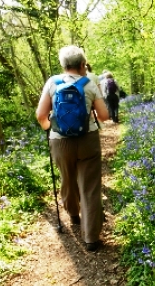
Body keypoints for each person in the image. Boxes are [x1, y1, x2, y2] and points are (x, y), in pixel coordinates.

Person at [35, 45, 110, 252]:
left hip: (60, 142)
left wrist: (53, 130)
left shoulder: (52, 82)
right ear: (82, 64)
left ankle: (73, 214)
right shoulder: (90, 84)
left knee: (67, 179)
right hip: (88, 140)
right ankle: (91, 238)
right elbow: (104, 117)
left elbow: (41, 115)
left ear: (63, 64)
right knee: (90, 187)